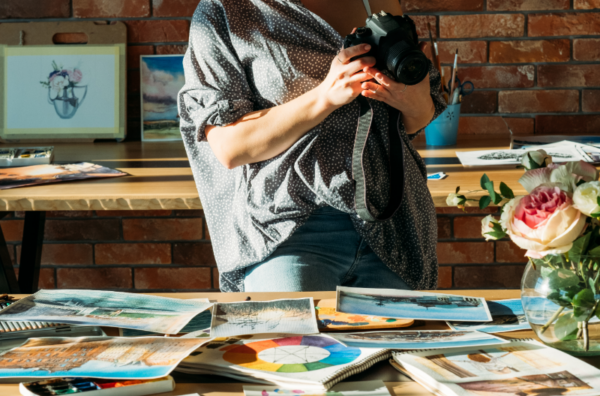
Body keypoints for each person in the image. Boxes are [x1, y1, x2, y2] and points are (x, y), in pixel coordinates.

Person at [178, 0, 446, 292]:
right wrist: (325, 97)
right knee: (296, 337)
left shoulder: (377, 2)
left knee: (399, 338)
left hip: (394, 223)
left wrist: (416, 103)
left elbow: (409, 124)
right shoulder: (225, 10)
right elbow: (230, 146)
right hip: (290, 231)